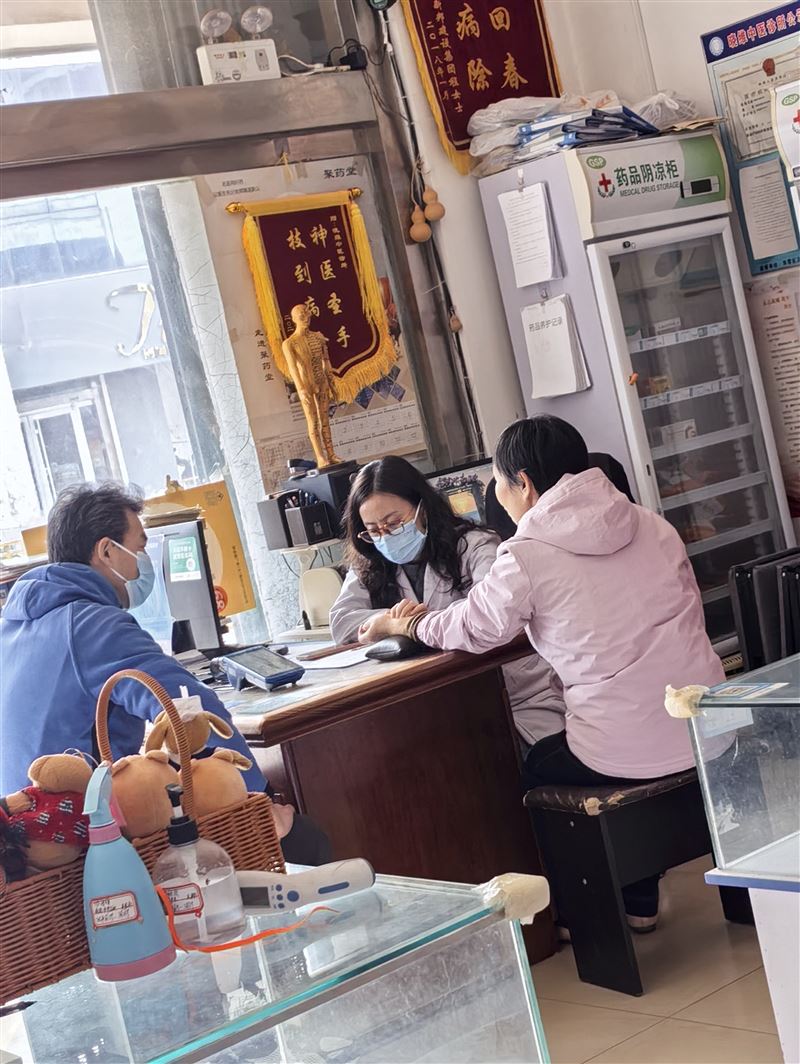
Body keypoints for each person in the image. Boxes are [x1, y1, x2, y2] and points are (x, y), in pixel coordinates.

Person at [359, 416, 726, 930]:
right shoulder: (652, 523)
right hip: (707, 722)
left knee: (534, 772)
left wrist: (411, 624)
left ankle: (583, 919)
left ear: (524, 483)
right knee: (591, 745)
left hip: (624, 744)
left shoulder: (527, 553)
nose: (497, 496)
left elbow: (475, 626)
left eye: (498, 483)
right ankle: (639, 894)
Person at [0, 483, 330, 865]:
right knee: (306, 842)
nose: (143, 564)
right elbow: (185, 709)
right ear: (106, 551)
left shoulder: (11, 626)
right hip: (84, 845)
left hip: (22, 843)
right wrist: (259, 800)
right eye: (139, 548)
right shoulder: (91, 624)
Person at [330, 455, 565, 746]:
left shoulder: (474, 544)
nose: (385, 536)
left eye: (394, 523)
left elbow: (492, 612)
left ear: (422, 509)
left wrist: (410, 626)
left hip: (514, 697)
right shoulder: (371, 562)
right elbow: (341, 621)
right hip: (436, 706)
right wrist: (386, 622)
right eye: (374, 530)